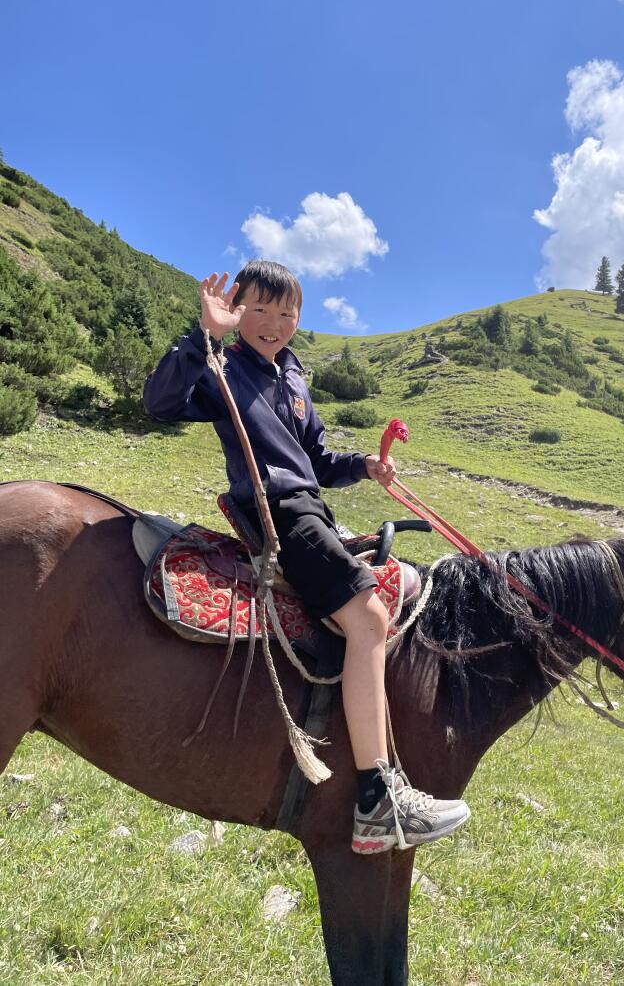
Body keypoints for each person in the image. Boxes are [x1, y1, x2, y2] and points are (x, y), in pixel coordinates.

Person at [144, 260, 470, 854]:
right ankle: (377, 797)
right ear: (236, 311)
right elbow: (160, 403)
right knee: (368, 617)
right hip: (280, 515)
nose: (273, 323)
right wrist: (205, 338)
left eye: (286, 313)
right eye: (258, 311)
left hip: (311, 507)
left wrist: (363, 467)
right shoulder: (222, 366)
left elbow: (314, 458)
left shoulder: (293, 376)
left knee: (384, 602)